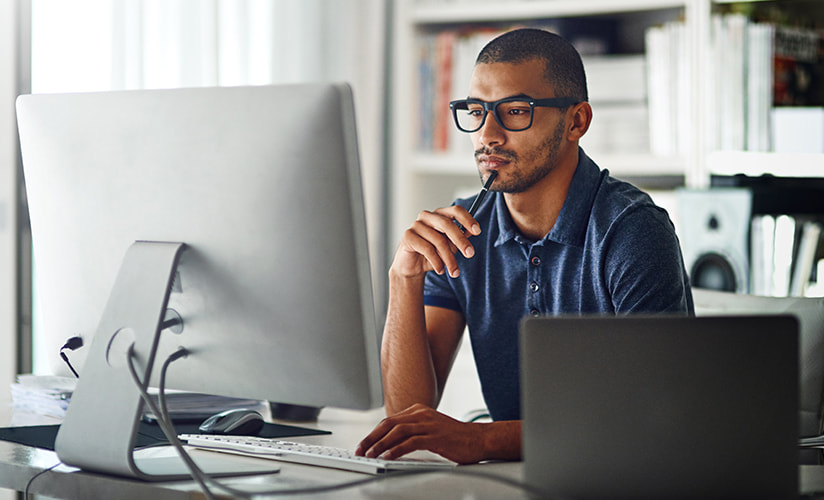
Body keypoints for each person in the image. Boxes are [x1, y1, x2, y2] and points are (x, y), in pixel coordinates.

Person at [355, 28, 694, 464]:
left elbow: (653, 418)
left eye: (515, 111)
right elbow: (407, 418)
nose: (487, 135)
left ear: (577, 122)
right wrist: (403, 278)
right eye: (476, 111)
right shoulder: (462, 229)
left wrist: (481, 440)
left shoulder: (632, 231)